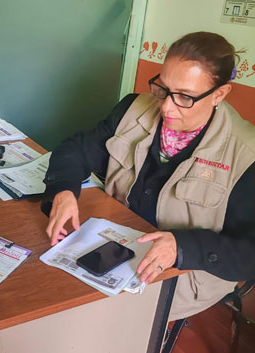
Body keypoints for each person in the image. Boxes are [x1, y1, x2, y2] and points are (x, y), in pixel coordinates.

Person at [42, 31, 255, 320]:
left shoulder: (246, 154)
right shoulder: (133, 109)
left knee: (92, 319)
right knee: (49, 289)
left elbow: (248, 253)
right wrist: (64, 189)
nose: (166, 106)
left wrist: (182, 247)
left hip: (184, 268)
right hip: (117, 242)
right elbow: (76, 149)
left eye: (184, 97)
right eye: (163, 88)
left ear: (219, 94)